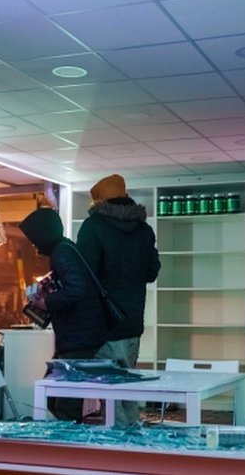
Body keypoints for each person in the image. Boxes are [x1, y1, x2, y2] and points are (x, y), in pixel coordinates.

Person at [76, 174, 160, 428]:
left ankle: (119, 446)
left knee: (110, 389)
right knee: (126, 385)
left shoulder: (93, 227)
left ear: (98, 201)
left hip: (102, 322)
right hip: (132, 320)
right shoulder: (144, 230)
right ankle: (130, 438)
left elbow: (84, 275)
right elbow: (151, 272)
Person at [18, 207, 107, 422]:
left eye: (34, 239)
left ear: (42, 235)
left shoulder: (62, 253)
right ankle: (68, 443)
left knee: (64, 401)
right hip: (80, 335)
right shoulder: (67, 248)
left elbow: (76, 288)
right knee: (55, 394)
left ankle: (68, 446)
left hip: (78, 337)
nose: (33, 245)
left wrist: (45, 302)